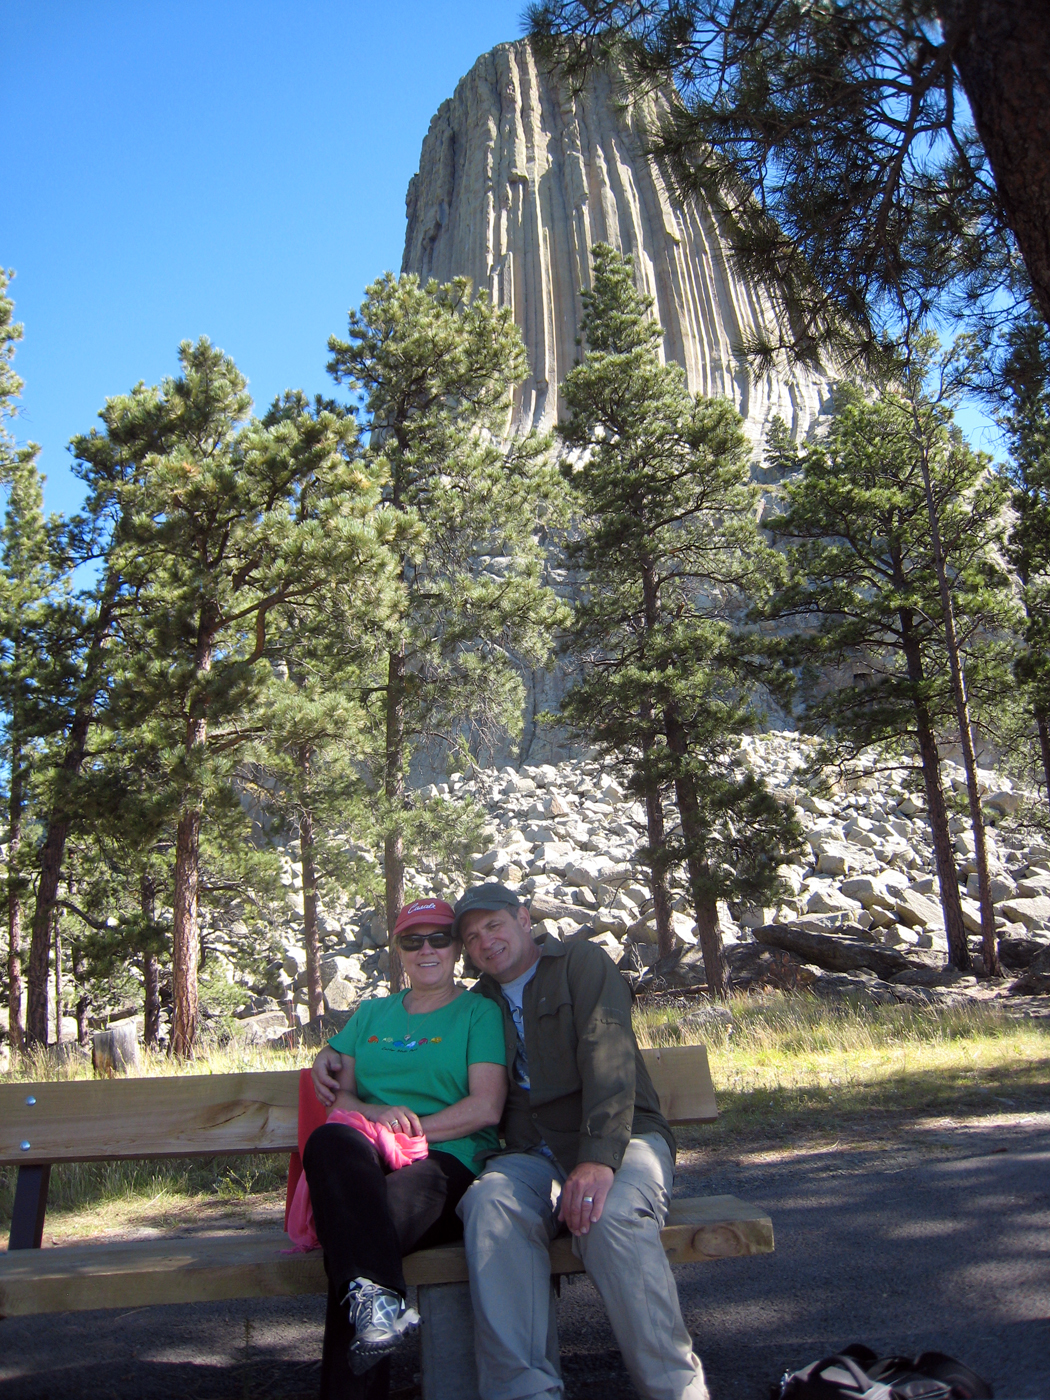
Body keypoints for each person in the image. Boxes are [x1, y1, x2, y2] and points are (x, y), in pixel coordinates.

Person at [454, 882, 709, 1400]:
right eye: (472, 936)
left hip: (623, 1137)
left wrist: (597, 1159)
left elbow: (608, 1055)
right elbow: (422, 1053)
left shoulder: (580, 962)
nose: (485, 942)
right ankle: (525, 1392)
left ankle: (676, 1390)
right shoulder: (477, 1004)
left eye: (494, 925)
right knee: (489, 1203)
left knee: (608, 1214)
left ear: (524, 920)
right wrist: (341, 1060)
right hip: (533, 1154)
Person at [308, 896, 507, 1399]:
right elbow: (341, 1099)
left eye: (439, 938)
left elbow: (485, 1107)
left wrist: (412, 1134)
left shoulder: (478, 1013)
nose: (427, 950)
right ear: (397, 949)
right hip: (368, 1155)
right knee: (332, 1138)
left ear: (457, 948)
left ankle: (364, 1335)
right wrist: (377, 1117)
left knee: (354, 1235)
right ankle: (377, 1304)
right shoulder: (372, 1014)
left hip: (445, 1160)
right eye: (412, 940)